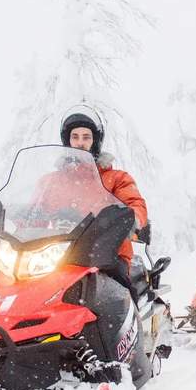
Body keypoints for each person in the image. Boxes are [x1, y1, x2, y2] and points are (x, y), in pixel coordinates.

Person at [58, 106, 149, 285]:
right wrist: (17, 214)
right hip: (59, 255)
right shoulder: (51, 182)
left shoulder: (116, 178)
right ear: (67, 141)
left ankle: (131, 311)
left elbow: (135, 205)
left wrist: (130, 220)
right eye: (75, 137)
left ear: (96, 141)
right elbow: (34, 210)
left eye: (86, 137)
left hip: (106, 254)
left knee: (110, 298)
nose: (80, 142)